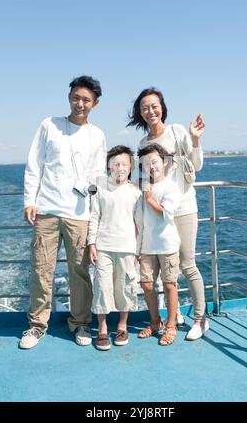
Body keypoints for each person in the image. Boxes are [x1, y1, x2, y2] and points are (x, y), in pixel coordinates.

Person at [19, 75, 107, 349]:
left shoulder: (97, 135)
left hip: (79, 213)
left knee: (79, 272)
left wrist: (94, 208)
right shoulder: (49, 125)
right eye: (76, 97)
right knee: (41, 269)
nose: (80, 103)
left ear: (95, 104)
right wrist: (29, 201)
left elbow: (98, 177)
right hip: (46, 209)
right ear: (69, 97)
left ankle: (81, 322)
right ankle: (36, 325)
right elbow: (35, 164)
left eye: (86, 100)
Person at [127, 87, 209, 340]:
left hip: (182, 208)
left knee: (187, 263)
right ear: (139, 113)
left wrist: (195, 139)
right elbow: (145, 179)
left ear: (162, 107)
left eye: (154, 105)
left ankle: (200, 318)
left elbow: (196, 165)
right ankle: (172, 316)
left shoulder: (177, 131)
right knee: (162, 268)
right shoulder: (142, 144)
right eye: (144, 108)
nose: (150, 111)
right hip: (156, 212)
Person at [88, 145, 142, 351]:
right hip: (104, 246)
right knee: (102, 286)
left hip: (127, 247)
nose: (120, 167)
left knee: (125, 286)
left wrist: (138, 250)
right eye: (115, 164)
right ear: (108, 167)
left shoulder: (136, 191)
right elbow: (94, 216)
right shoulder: (100, 188)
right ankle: (102, 328)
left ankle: (122, 325)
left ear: (130, 167)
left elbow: (140, 224)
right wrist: (91, 243)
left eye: (124, 164)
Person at [137, 143, 180, 345]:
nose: (151, 166)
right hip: (146, 246)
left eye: (154, 161)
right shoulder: (141, 187)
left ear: (164, 162)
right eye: (146, 163)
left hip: (167, 245)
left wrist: (150, 199)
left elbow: (166, 213)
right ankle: (155, 323)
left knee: (169, 285)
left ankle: (171, 326)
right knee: (146, 284)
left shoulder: (171, 186)